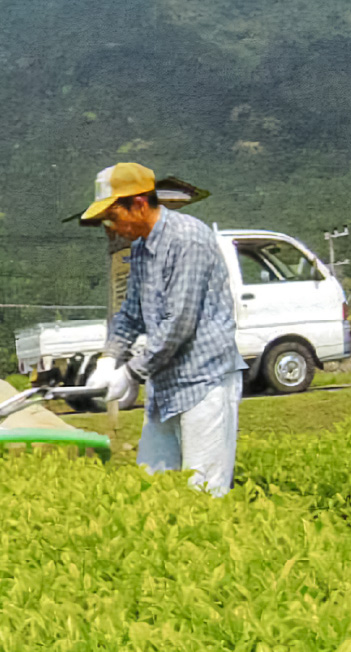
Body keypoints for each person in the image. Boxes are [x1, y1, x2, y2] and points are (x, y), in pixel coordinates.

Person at [81, 162, 246, 496]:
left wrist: (130, 373)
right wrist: (108, 359)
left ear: (139, 204)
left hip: (204, 380)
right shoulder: (141, 248)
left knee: (203, 491)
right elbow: (131, 313)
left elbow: (178, 324)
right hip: (165, 385)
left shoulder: (188, 240)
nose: (112, 226)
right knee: (153, 487)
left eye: (113, 216)